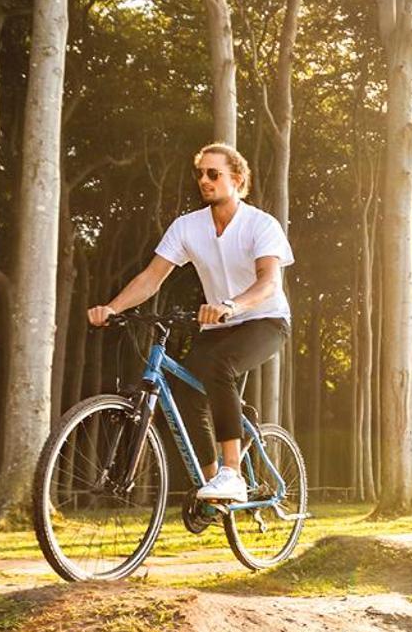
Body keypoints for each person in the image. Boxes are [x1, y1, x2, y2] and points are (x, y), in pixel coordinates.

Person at [87, 143, 294, 502]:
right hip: (219, 325)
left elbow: (269, 283)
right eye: (200, 173)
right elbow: (151, 278)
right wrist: (113, 307)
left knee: (219, 366)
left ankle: (233, 474)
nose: (204, 180)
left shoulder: (261, 224)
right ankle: (213, 486)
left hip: (264, 319)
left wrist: (231, 304)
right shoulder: (187, 227)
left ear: (238, 179)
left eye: (213, 174)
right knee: (186, 392)